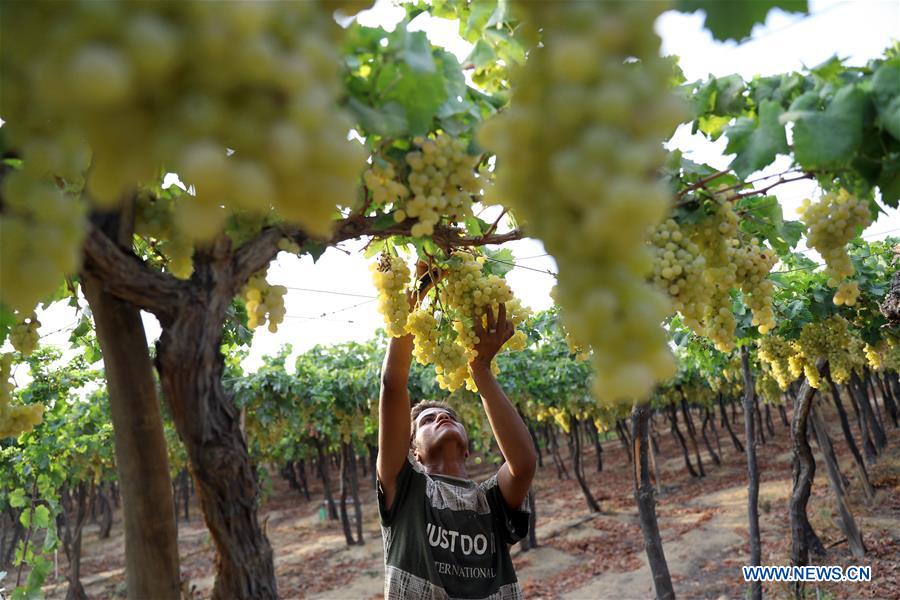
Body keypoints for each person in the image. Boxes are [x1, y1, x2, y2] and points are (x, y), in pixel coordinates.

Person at [377, 266, 538, 599]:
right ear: (413, 453)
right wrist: (421, 286)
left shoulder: (490, 501)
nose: (440, 418)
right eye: (426, 421)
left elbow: (523, 463)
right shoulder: (405, 488)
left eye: (449, 415)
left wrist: (480, 370)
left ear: (467, 449)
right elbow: (393, 385)